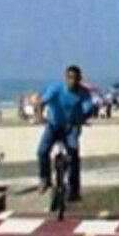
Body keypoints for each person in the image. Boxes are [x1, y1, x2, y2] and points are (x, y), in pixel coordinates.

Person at [36, 65, 96, 200]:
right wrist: (40, 116)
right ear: (65, 78)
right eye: (70, 78)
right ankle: (44, 179)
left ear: (80, 79)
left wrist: (83, 117)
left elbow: (89, 108)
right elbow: (41, 103)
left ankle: (74, 189)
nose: (72, 81)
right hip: (54, 125)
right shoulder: (56, 89)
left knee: (73, 153)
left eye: (75, 78)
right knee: (42, 151)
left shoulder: (83, 93)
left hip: (71, 127)